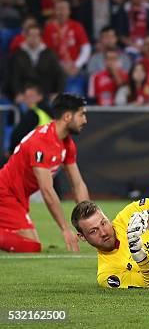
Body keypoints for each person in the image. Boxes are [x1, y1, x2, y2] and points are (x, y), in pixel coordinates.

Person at [0, 93, 90, 253]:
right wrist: (65, 229)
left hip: (19, 197)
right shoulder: (42, 142)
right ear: (68, 116)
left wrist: (89, 222)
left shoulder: (66, 143)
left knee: (29, 244)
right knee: (31, 246)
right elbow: (47, 190)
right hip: (5, 193)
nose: (85, 120)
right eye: (82, 114)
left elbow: (77, 184)